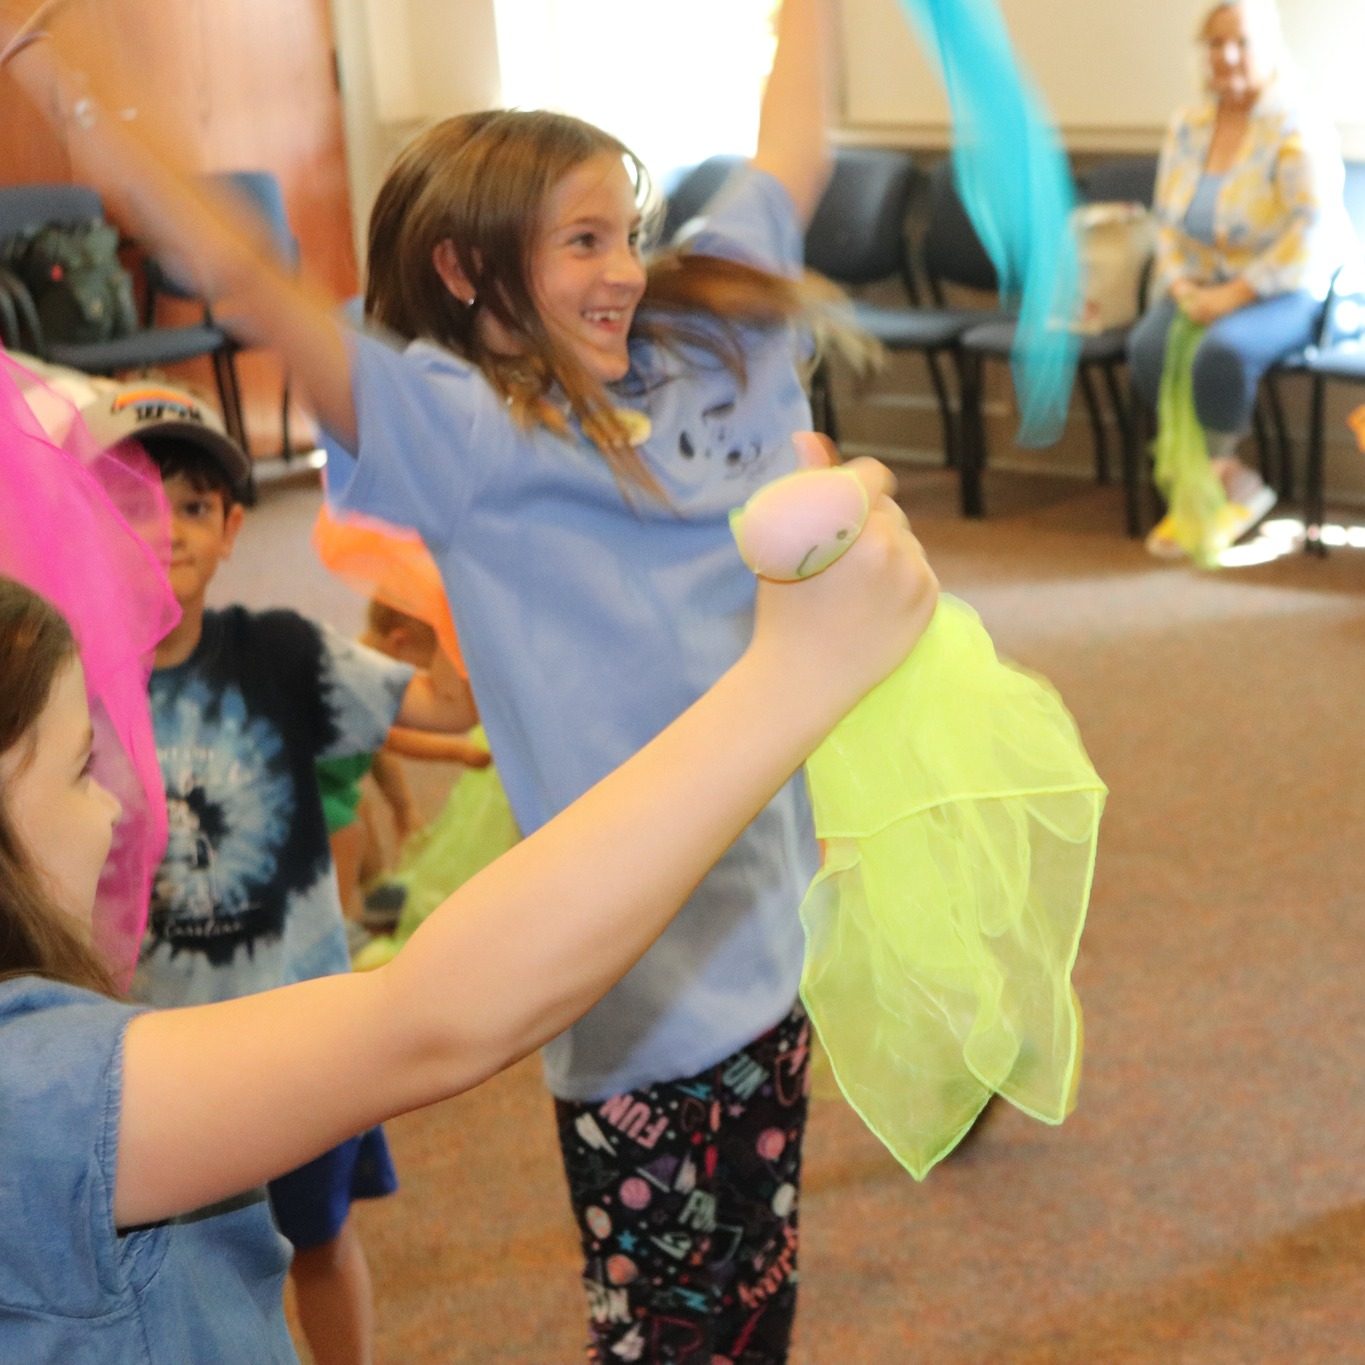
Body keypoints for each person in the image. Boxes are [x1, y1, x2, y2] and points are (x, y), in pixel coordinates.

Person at [5, 0, 887, 1354]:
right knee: (672, 1336)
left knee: (756, 1304)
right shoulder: (464, 436)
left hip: (772, 961)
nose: (626, 271)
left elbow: (791, 140)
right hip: (636, 1012)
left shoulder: (707, 347)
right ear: (469, 273)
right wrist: (64, 83)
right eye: (583, 239)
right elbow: (244, 276)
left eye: (629, 233)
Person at [0, 436, 935, 1359]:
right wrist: (796, 675)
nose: (124, 805)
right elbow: (436, 1017)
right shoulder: (36, 1094)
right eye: (85, 766)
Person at [73, 378, 480, 1365]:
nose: (166, 528)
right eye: (132, 500)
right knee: (171, 1270)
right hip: (152, 1060)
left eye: (195, 506)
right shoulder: (66, 685)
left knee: (321, 1242)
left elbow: (450, 710)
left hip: (298, 1040)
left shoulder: (285, 654)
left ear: (233, 526)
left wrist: (455, 568)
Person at [1127, 0, 1355, 558]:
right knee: (1147, 346)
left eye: (1242, 41)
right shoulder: (1189, 123)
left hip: (1287, 289)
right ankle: (1199, 483)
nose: (1227, 55)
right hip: (1200, 285)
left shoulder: (1296, 122)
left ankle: (1228, 484)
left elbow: (1312, 233)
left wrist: (1233, 295)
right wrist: (1182, 288)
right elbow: (1168, 221)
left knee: (1221, 353)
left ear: (1271, 49)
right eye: (1215, 42)